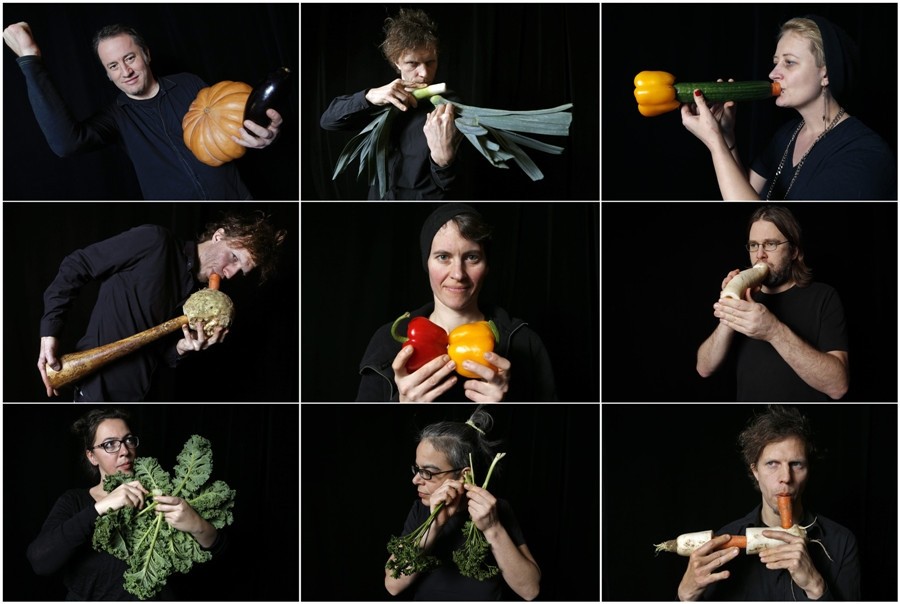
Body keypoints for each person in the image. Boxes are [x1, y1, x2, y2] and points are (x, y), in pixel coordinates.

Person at [2, 21, 283, 200]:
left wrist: (263, 132)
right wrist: (30, 61)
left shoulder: (188, 84)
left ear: (145, 54)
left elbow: (231, 123)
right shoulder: (116, 118)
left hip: (239, 204)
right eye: (113, 66)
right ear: (107, 75)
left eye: (129, 58)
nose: (125, 71)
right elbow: (65, 144)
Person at [38, 211, 287, 401]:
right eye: (234, 258)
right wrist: (50, 331)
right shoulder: (155, 242)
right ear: (219, 235)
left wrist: (183, 347)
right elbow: (78, 265)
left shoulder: (199, 304)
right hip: (95, 393)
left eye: (240, 271)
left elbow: (159, 355)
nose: (230, 273)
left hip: (139, 402)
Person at [681, 14, 896, 200]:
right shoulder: (786, 135)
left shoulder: (864, 153)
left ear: (826, 74)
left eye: (789, 62)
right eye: (776, 62)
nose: (773, 74)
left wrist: (713, 139)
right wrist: (725, 135)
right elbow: (744, 191)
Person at [357, 203, 557, 402]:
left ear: (487, 265)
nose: (458, 274)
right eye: (443, 257)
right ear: (426, 262)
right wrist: (400, 402)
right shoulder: (387, 341)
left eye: (472, 257)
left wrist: (509, 405)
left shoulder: (525, 342)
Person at [26, 408, 225, 599]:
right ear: (92, 456)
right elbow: (40, 561)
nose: (124, 451)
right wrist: (100, 508)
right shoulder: (74, 501)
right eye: (110, 444)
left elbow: (219, 562)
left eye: (128, 440)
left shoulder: (166, 497)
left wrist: (198, 526)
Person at [676, 406, 860, 600]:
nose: (786, 478)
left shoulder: (841, 542)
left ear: (809, 470)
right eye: (772, 464)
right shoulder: (723, 544)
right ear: (755, 470)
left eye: (796, 464)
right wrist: (685, 597)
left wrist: (815, 586)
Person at [384, 408, 540, 600]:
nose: (416, 480)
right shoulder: (420, 509)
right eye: (417, 469)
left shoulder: (498, 509)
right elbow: (393, 585)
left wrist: (493, 528)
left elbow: (530, 590)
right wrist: (435, 525)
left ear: (465, 474)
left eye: (428, 472)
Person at [696, 205, 848, 401]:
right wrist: (731, 310)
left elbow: (838, 386)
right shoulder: (747, 297)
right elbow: (704, 368)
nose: (760, 255)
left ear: (793, 250)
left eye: (770, 244)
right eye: (753, 245)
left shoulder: (824, 297)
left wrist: (773, 331)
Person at [320, 8, 460, 199]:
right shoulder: (382, 99)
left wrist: (443, 161)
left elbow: (453, 185)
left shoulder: (448, 107)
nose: (425, 73)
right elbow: (328, 121)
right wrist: (368, 96)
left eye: (430, 62)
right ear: (396, 62)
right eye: (413, 64)